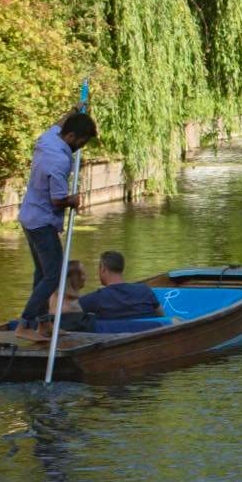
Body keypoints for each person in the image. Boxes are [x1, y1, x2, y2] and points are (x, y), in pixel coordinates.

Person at [15, 110, 97, 341]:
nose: (81, 147)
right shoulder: (59, 161)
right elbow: (57, 200)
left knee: (42, 273)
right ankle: (24, 324)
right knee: (54, 275)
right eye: (81, 142)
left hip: (29, 217)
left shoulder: (49, 138)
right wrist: (75, 200)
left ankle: (44, 325)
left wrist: (77, 109)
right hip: (42, 222)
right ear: (71, 136)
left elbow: (59, 122)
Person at [78, 250, 163, 320]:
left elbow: (69, 309)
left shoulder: (97, 298)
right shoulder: (145, 290)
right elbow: (162, 316)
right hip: (150, 334)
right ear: (122, 268)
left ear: (103, 268)